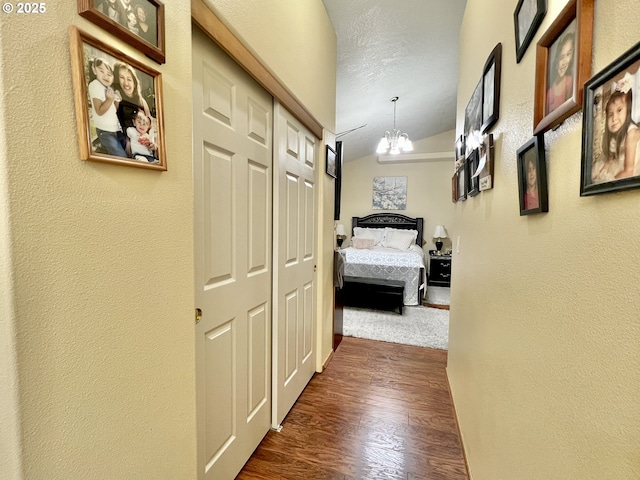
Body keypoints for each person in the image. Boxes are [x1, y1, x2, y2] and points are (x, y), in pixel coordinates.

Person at [592, 78, 640, 183]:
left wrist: (608, 183)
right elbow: (611, 159)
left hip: (631, 167)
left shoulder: (632, 133)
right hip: (619, 163)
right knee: (597, 172)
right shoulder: (616, 134)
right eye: (610, 114)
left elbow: (629, 171)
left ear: (628, 110)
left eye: (619, 110)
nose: (614, 118)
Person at [87, 57, 127, 157]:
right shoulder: (95, 85)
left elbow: (113, 110)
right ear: (94, 69)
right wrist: (109, 100)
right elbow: (99, 110)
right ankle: (101, 145)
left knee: (124, 155)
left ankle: (102, 147)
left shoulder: (108, 88)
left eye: (109, 74)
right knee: (122, 157)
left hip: (115, 129)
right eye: (101, 71)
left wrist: (116, 101)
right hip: (105, 131)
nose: (106, 76)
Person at [113, 61, 151, 154]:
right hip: (124, 139)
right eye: (122, 78)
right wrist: (128, 140)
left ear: (134, 82)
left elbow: (149, 123)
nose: (126, 83)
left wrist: (149, 139)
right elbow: (114, 122)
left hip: (141, 139)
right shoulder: (117, 98)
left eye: (129, 79)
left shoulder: (141, 101)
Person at [546, 31, 574, 114]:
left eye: (568, 54)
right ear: (555, 63)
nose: (564, 62)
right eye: (561, 58)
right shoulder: (549, 93)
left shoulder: (569, 81)